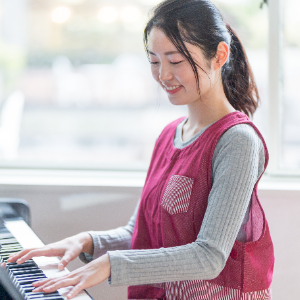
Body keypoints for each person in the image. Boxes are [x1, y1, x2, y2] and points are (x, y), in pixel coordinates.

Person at [6, 0, 275, 299]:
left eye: (175, 61)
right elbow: (142, 233)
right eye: (154, 61)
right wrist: (86, 241)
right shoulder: (168, 136)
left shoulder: (237, 141)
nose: (163, 75)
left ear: (219, 56)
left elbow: (209, 256)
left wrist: (111, 264)